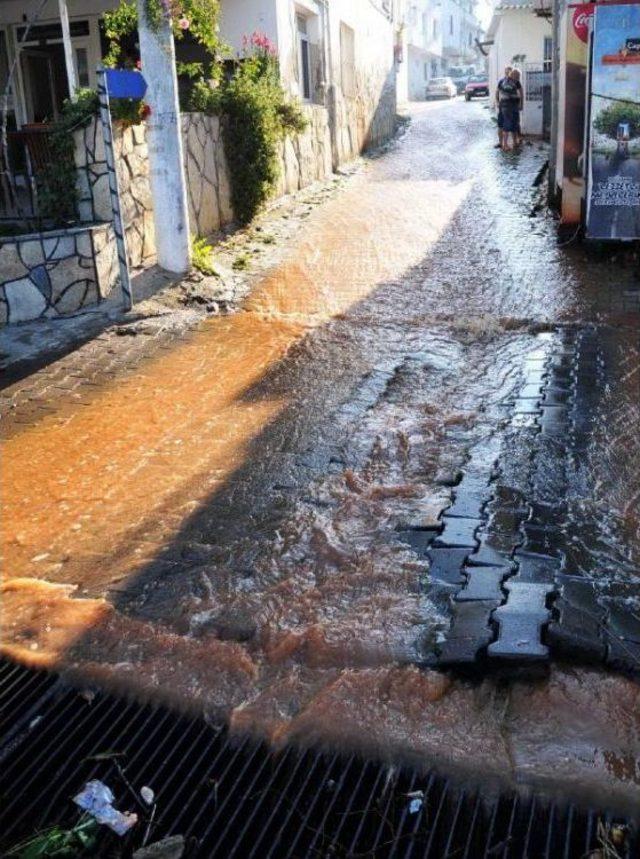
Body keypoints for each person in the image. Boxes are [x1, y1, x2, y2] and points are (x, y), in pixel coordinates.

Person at [496, 68, 522, 151]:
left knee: (514, 125)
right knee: (506, 126)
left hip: (511, 106)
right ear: (514, 75)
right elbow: (511, 93)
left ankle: (514, 143)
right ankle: (505, 145)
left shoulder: (513, 82)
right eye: (518, 76)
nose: (518, 78)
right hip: (508, 107)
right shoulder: (507, 82)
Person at [494, 65, 512, 149]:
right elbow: (497, 92)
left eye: (508, 72)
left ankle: (505, 144)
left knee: (506, 125)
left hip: (509, 106)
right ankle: (501, 143)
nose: (507, 73)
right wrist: (497, 102)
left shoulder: (513, 82)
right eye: (506, 72)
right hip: (502, 105)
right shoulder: (501, 81)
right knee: (500, 125)